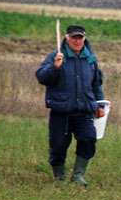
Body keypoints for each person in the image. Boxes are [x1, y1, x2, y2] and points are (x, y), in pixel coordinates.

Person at [35, 24, 106, 185]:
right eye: (74, 37)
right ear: (67, 38)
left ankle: (78, 175)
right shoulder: (56, 56)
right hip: (61, 111)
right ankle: (59, 177)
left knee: (89, 139)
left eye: (80, 37)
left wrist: (100, 105)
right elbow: (42, 77)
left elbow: (96, 84)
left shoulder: (90, 59)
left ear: (84, 38)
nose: (77, 41)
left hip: (85, 111)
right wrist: (55, 67)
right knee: (58, 146)